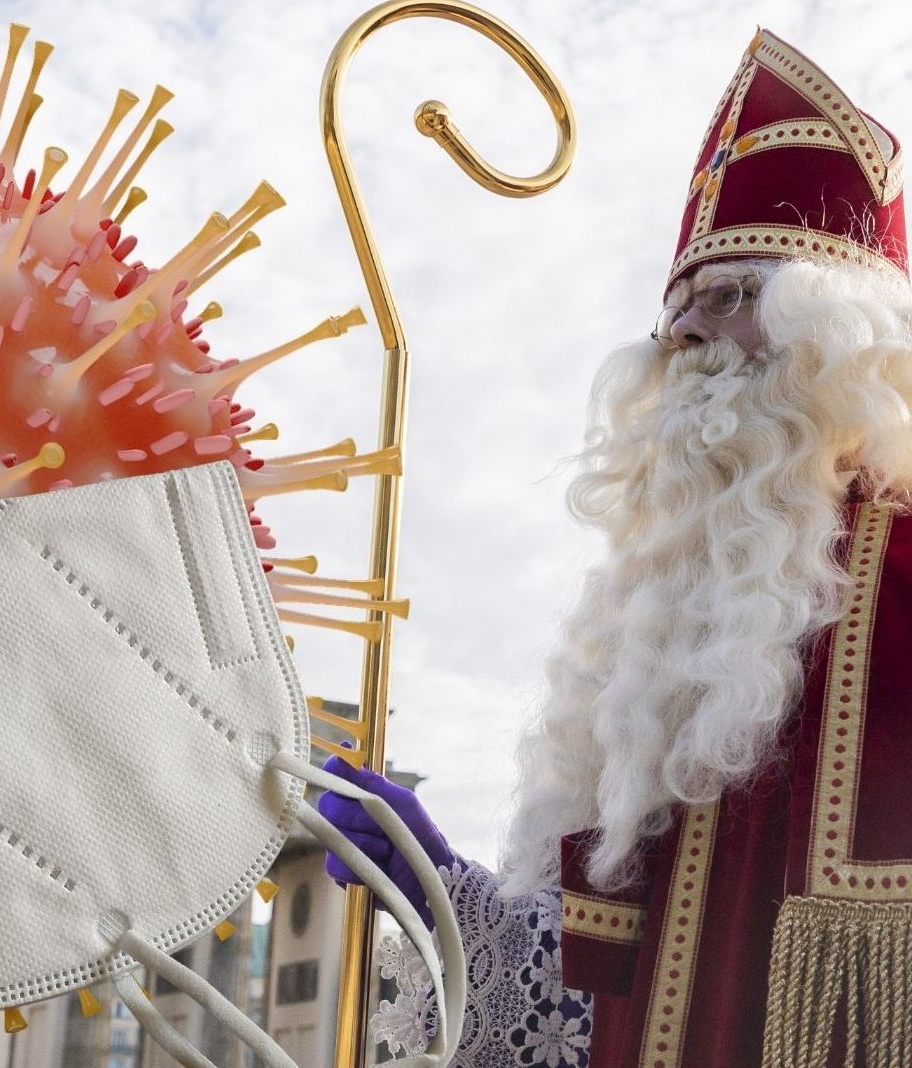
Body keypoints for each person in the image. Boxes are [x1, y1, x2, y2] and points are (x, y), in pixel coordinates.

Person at [319, 27, 912, 1068]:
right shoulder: (680, 617)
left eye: (727, 301)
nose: (681, 345)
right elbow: (617, 1002)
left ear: (835, 345)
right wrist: (441, 894)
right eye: (673, 313)